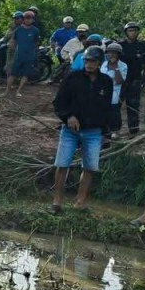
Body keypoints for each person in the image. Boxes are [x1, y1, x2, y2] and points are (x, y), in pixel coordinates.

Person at [50, 45, 112, 214]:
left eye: (92, 61)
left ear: (99, 63)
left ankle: (80, 202)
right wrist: (68, 116)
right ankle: (57, 202)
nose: (89, 64)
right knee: (62, 164)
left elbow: (107, 108)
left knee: (90, 167)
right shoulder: (73, 78)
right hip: (70, 130)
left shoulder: (106, 82)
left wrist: (107, 132)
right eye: (87, 60)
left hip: (94, 131)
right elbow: (58, 102)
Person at [119, 22, 145, 136]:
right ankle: (113, 130)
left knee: (133, 106)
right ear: (126, 32)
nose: (133, 32)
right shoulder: (120, 45)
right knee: (116, 105)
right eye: (130, 30)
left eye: (135, 30)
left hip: (135, 79)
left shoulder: (143, 45)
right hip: (120, 80)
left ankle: (133, 131)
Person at [7, 10, 41, 97]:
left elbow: (37, 42)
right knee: (12, 74)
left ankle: (18, 91)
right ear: (23, 19)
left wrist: (32, 50)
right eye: (27, 17)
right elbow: (12, 41)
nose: (29, 19)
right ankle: (7, 91)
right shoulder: (18, 29)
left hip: (29, 56)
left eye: (31, 18)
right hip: (18, 56)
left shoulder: (35, 30)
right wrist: (14, 49)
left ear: (33, 20)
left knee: (25, 75)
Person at [101, 42, 127, 138]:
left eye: (114, 53)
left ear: (118, 55)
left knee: (114, 112)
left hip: (115, 92)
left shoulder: (123, 66)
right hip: (102, 92)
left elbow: (119, 81)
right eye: (109, 52)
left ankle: (115, 130)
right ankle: (103, 130)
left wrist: (115, 67)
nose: (111, 54)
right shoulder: (103, 64)